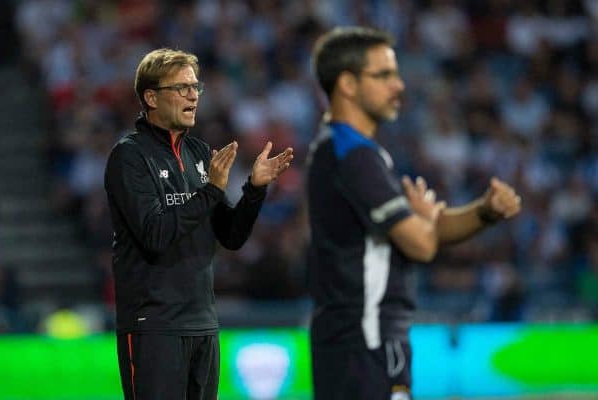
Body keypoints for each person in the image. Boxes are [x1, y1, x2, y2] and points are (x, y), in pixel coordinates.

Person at [306, 27, 521, 400]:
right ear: (348, 84)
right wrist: (424, 221)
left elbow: (423, 230)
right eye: (384, 75)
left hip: (362, 343)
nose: (399, 86)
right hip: (364, 342)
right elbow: (422, 243)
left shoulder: (352, 152)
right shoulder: (353, 157)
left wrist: (484, 211)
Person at [104, 48, 293, 400]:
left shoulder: (200, 154)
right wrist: (209, 192)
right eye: (181, 87)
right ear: (151, 97)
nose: (193, 95)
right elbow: (154, 235)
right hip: (153, 327)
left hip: (203, 323)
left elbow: (231, 236)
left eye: (196, 87)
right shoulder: (129, 157)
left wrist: (254, 190)